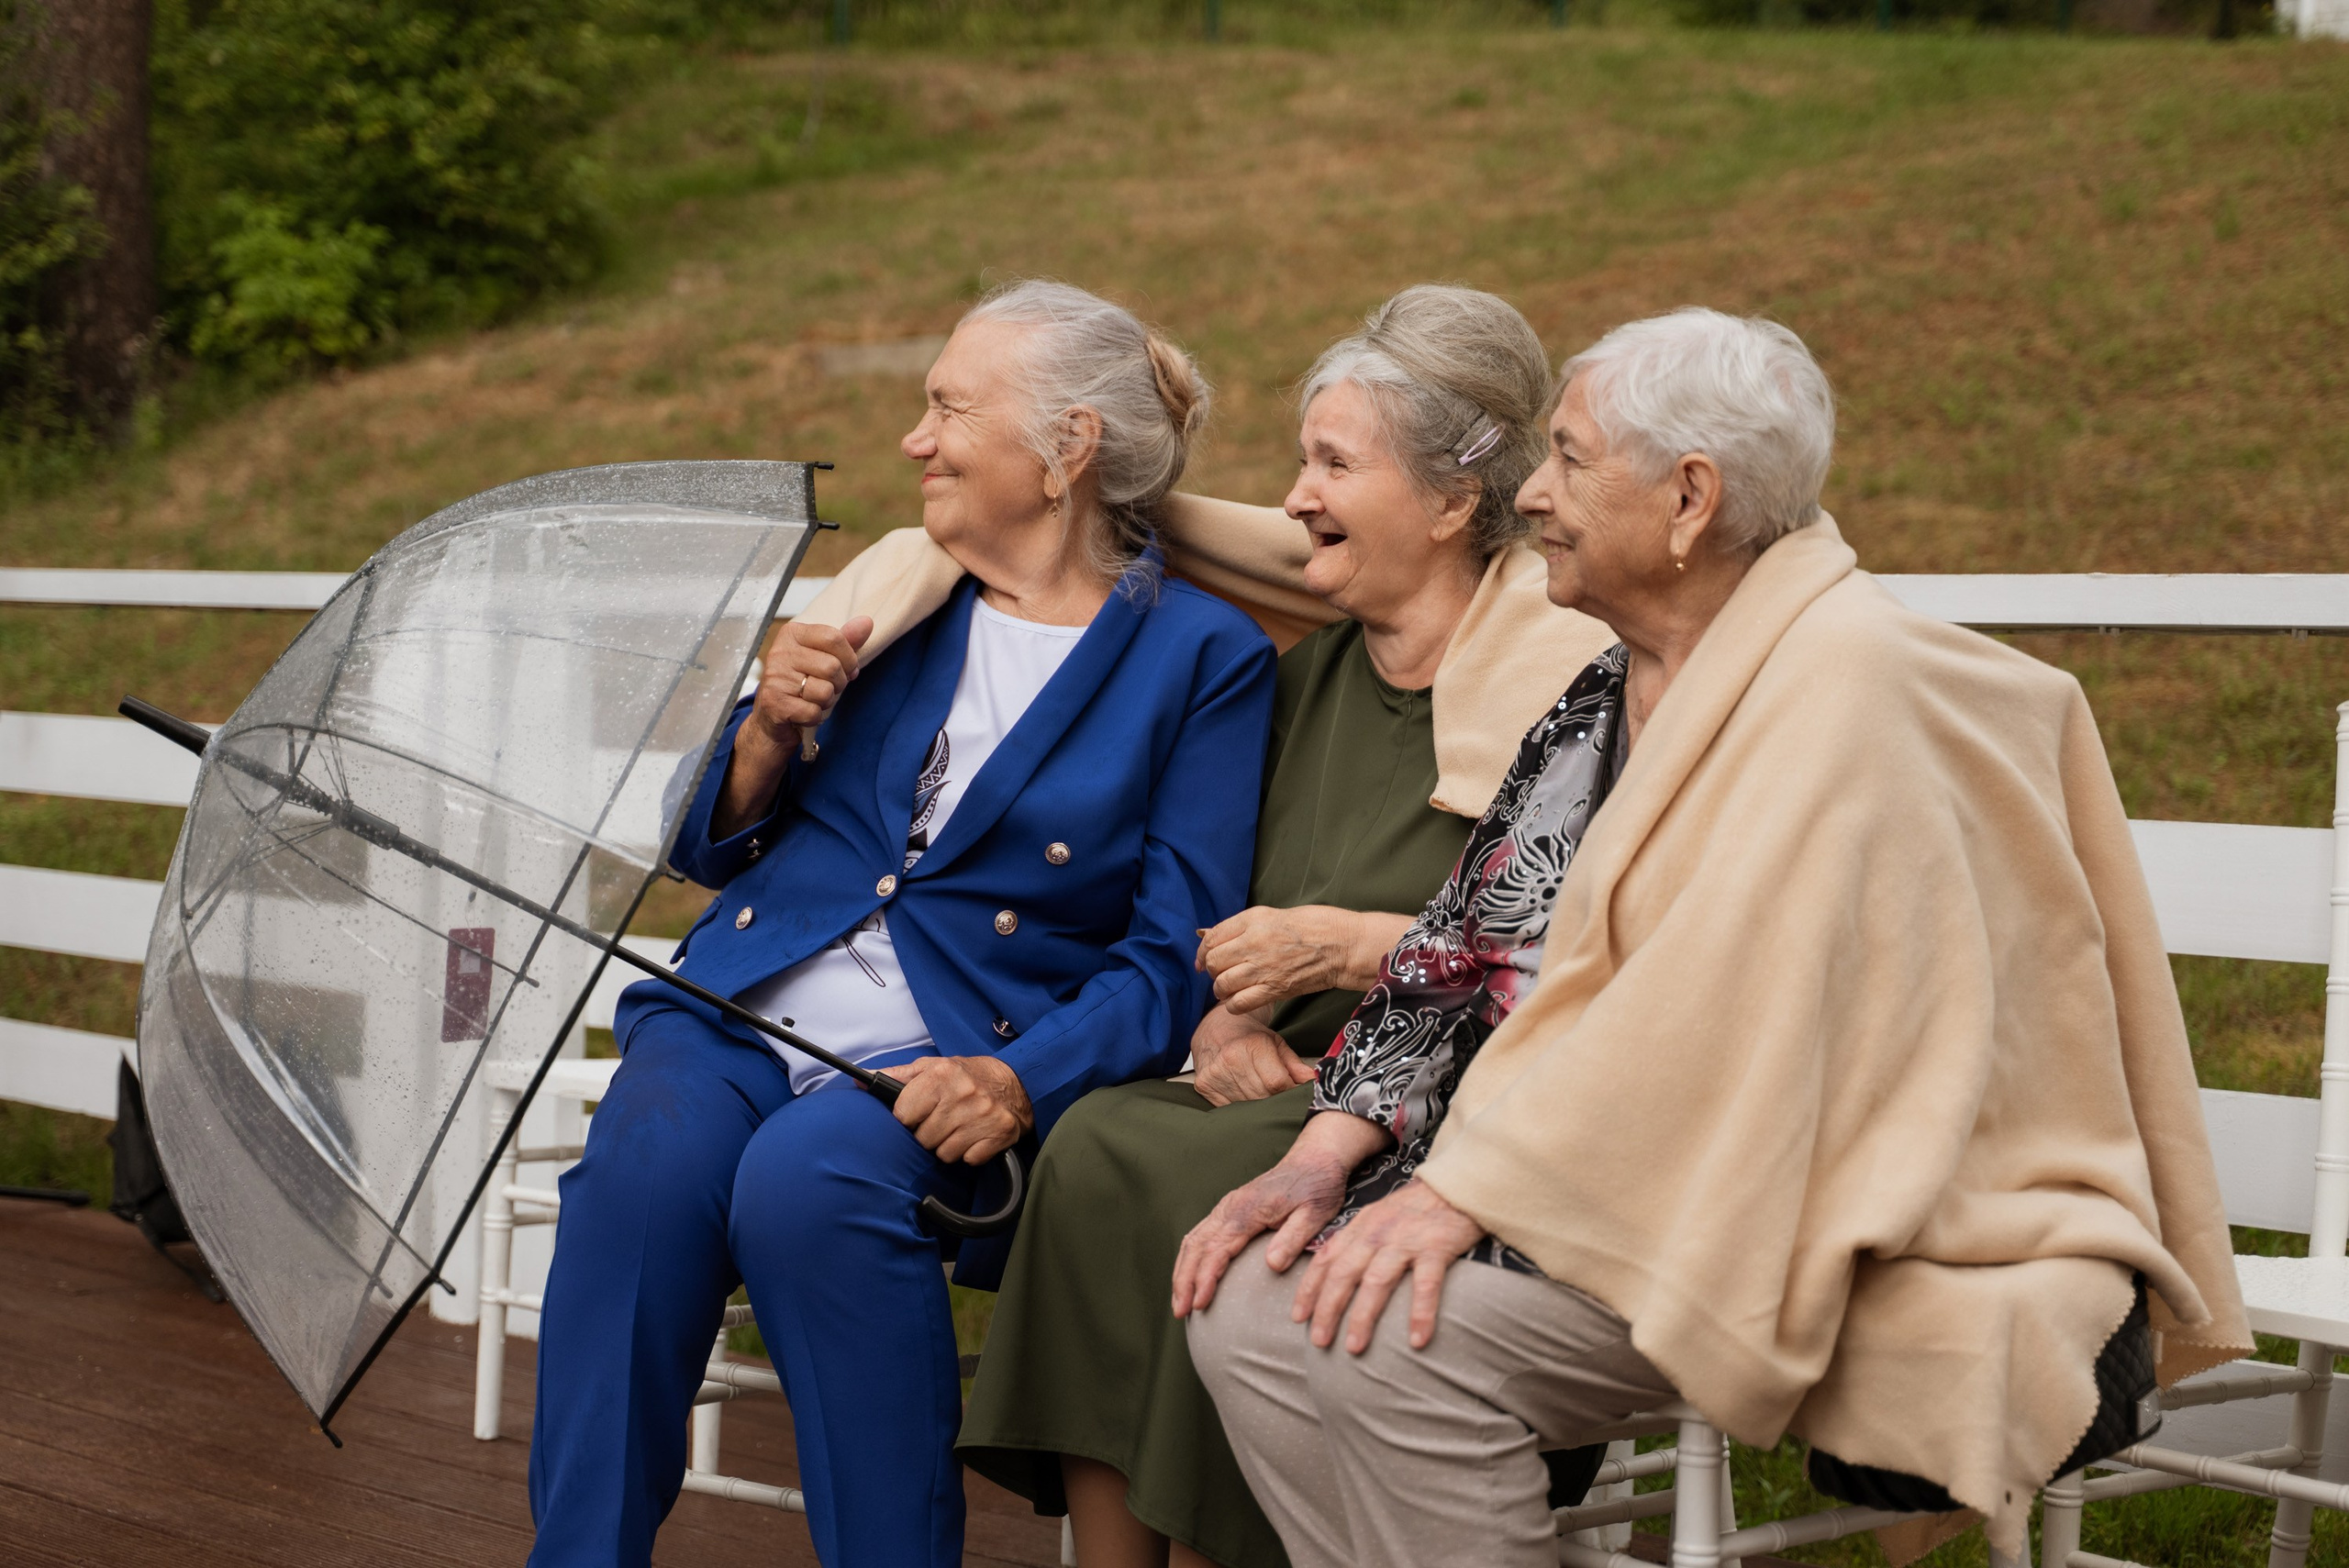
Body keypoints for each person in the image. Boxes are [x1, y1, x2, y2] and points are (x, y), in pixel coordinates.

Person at [1176, 307, 2253, 1568]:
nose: (1531, 493)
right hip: (1563, 1187)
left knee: (1379, 1344)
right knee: (1246, 1308)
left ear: (1690, 498)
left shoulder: (1845, 689)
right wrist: (1325, 1153)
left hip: (1747, 1213)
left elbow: (1715, 1010)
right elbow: (1461, 939)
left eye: (1570, 459)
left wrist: (1461, 1195)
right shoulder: (1603, 689)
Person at [527, 281, 1277, 1568]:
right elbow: (709, 845)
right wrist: (766, 729)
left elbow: (1170, 958)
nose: (914, 442)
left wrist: (1015, 1078)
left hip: (949, 1053)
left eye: (948, 409)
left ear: (1067, 450)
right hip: (738, 1012)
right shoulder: (898, 596)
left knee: (811, 1185)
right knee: (643, 1171)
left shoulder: (1201, 657)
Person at [956, 285, 1615, 1568]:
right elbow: (1218, 916)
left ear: (1447, 503)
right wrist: (1223, 1018)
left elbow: (1577, 951)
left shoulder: (1561, 697)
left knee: (1194, 1186)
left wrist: (1351, 952)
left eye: (1332, 464)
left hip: (1452, 1108)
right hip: (1274, 1078)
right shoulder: (1304, 677)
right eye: (1301, 461)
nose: (1298, 497)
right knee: (1096, 1143)